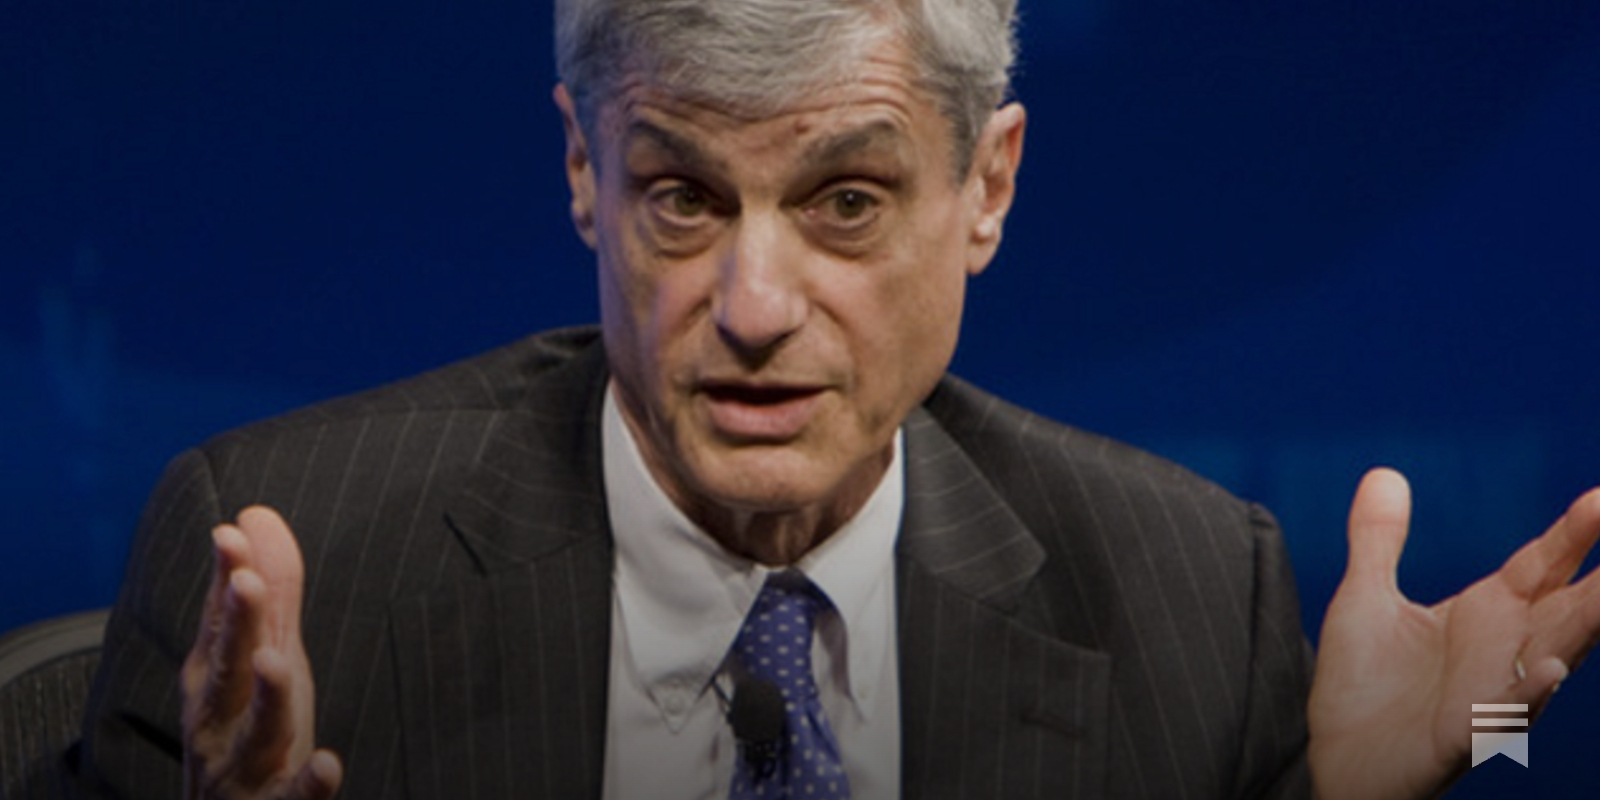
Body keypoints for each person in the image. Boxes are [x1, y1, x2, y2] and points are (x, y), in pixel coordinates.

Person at [76, 1, 1600, 798]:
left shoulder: (1194, 593)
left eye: (847, 202)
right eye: (684, 197)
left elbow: (1502, 755)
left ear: (987, 187)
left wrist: (1443, 757)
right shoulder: (285, 567)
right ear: (583, 173)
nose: (754, 307)